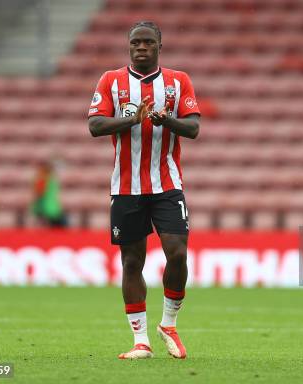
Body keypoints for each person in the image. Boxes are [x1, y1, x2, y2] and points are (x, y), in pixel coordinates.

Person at [87, 21, 201, 360]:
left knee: (177, 252)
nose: (141, 47)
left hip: (167, 184)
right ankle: (141, 341)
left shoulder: (178, 81)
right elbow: (95, 125)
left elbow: (193, 128)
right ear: (129, 46)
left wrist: (168, 121)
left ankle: (169, 324)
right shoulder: (111, 80)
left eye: (148, 42)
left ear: (159, 47)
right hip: (126, 188)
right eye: (135, 42)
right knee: (132, 260)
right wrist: (132, 120)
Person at [31, 161, 68, 227]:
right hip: (50, 208)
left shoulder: (44, 179)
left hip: (48, 208)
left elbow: (39, 194)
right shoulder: (48, 179)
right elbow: (39, 194)